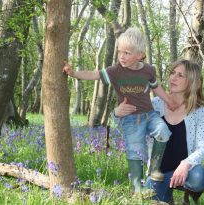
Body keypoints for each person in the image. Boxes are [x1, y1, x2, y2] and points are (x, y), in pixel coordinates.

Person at [63, 27, 178, 194]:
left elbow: (156, 88)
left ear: (140, 55)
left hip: (149, 114)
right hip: (130, 119)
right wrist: (73, 73)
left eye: (127, 53)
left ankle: (154, 169)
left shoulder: (148, 70)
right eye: (119, 52)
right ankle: (137, 189)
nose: (121, 56)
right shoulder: (115, 71)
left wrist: (169, 100)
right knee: (135, 151)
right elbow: (94, 74)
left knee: (164, 131)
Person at [114, 59, 204, 204]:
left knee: (197, 177)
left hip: (186, 173)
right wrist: (117, 114)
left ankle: (190, 194)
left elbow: (202, 148)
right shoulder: (154, 105)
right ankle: (166, 194)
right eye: (172, 73)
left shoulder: (200, 111)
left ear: (191, 81)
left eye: (180, 75)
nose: (173, 78)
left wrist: (186, 164)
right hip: (159, 174)